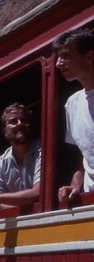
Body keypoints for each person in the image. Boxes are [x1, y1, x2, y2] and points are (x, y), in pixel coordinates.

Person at [53, 27, 94, 202]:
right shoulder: (72, 104)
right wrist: (76, 183)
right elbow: (84, 153)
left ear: (90, 57)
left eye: (66, 56)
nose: (58, 63)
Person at [0, 103, 41, 222]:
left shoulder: (42, 150)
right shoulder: (2, 162)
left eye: (24, 119)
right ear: (4, 131)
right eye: (13, 121)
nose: (20, 123)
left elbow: (37, 192)